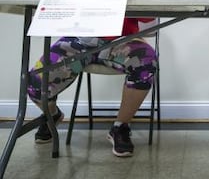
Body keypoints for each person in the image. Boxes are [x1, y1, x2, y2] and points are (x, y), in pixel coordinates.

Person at [27, 17, 158, 157]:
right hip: (78, 43)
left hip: (120, 42)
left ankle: (120, 127)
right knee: (35, 83)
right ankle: (52, 115)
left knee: (146, 64)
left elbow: (150, 18)